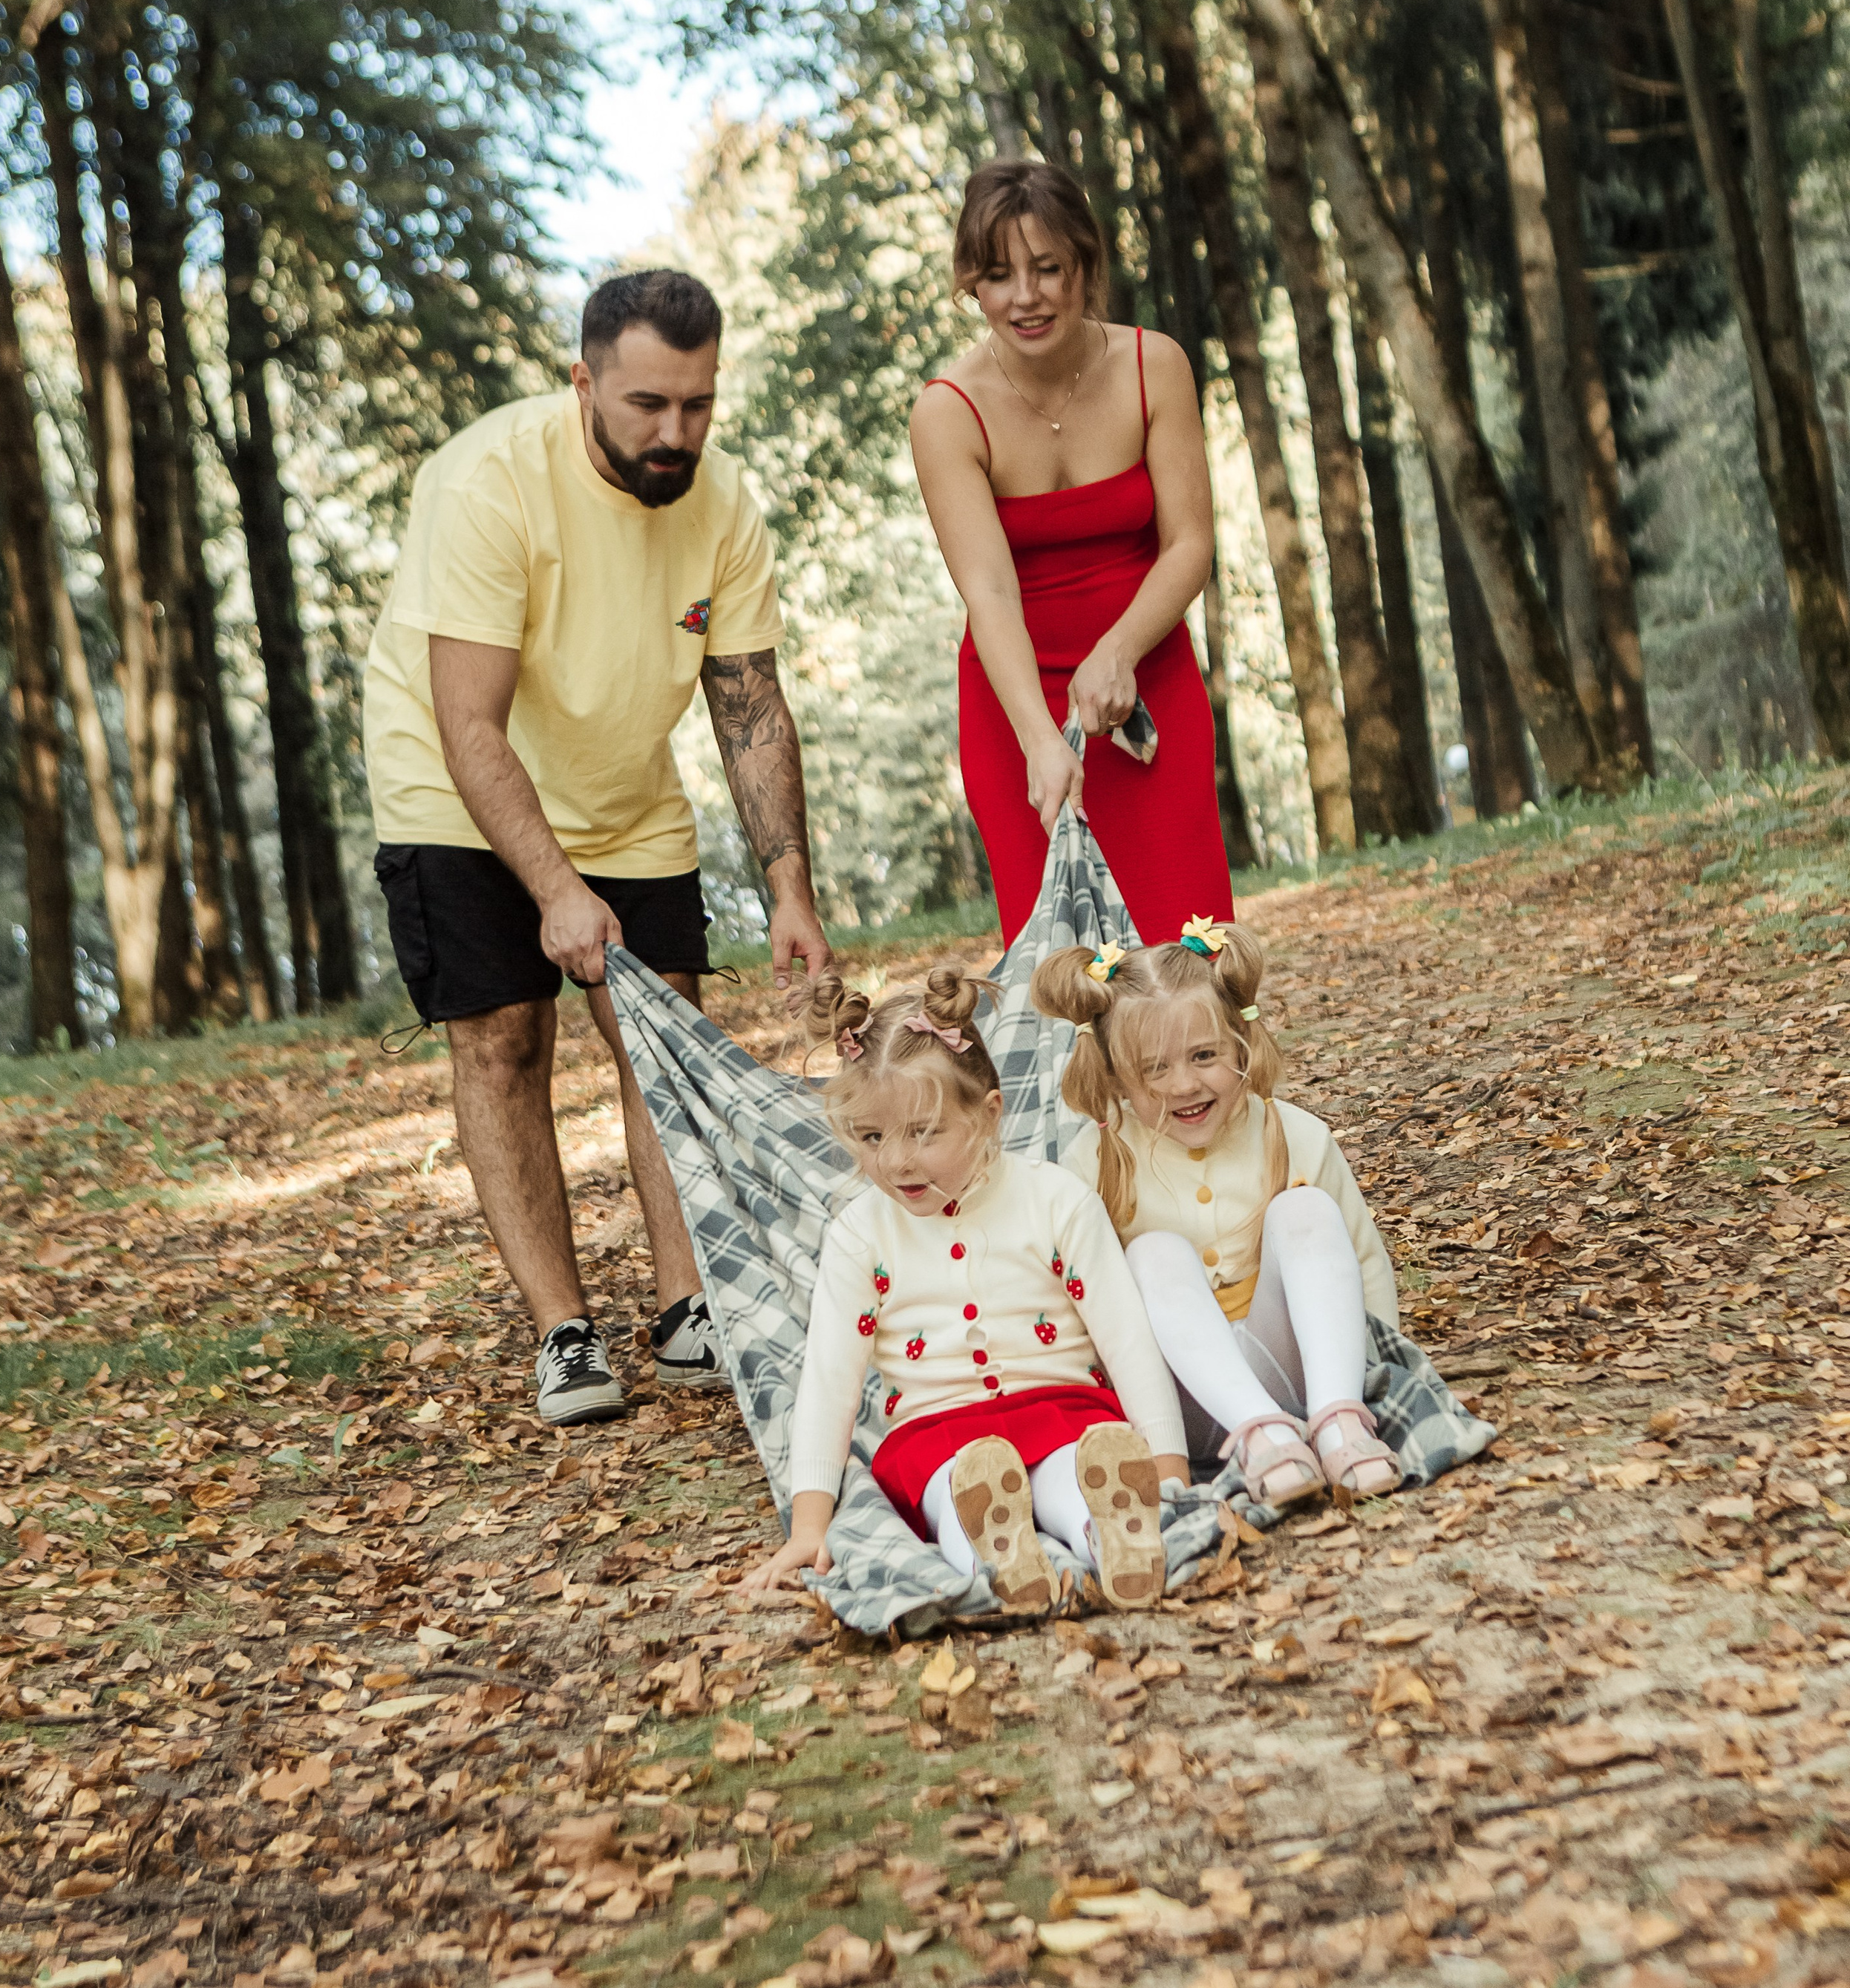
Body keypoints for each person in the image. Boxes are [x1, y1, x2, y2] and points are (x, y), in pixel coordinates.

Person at [363, 269, 832, 1428]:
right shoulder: (487, 484)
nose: (676, 433)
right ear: (584, 382)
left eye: (699, 404)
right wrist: (556, 890)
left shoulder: (722, 505)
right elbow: (468, 721)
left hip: (622, 784)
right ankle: (563, 1333)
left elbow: (750, 703)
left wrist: (790, 888)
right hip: (456, 784)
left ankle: (688, 1312)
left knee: (662, 1032)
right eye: (646, 406)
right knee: (505, 1042)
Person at [744, 964, 1188, 1613]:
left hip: (1063, 1410)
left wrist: (1169, 1465)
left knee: (1078, 1475)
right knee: (961, 1492)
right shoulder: (860, 1235)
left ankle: (1110, 1536)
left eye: (924, 1132)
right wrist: (810, 1525)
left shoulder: (1055, 1201)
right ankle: (999, 1555)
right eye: (872, 1137)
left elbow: (1126, 1340)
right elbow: (829, 1383)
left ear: (987, 1115)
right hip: (937, 1435)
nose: (896, 1161)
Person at [909, 157, 1234, 946]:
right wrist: (1038, 742)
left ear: (1086, 265)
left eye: (1047, 269)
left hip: (1145, 678)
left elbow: (1189, 543)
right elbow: (987, 592)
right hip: (1015, 701)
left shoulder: (1155, 366)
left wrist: (1118, 650)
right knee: (1069, 972)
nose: (1024, 296)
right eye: (997, 275)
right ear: (971, 287)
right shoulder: (947, 413)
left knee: (1189, 950)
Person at [1032, 921, 1402, 1505]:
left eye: (1204, 1055)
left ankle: (1341, 1427)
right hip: (1184, 1409)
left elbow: (1365, 1262)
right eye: (1154, 1068)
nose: (1184, 1084)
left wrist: (1386, 1378)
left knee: (1304, 1210)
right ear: (1116, 1077)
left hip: (1308, 1378)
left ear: (1240, 1043)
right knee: (1152, 1253)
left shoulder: (1295, 1133)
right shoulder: (1093, 1164)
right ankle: (1264, 1440)